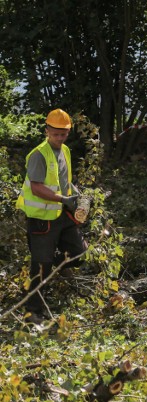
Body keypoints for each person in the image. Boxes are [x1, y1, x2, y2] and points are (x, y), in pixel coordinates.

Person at [16, 108, 87, 324]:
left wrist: (75, 195)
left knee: (79, 253)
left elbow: (63, 180)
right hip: (41, 218)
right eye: (55, 133)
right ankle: (32, 313)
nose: (59, 138)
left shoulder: (64, 150)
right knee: (40, 266)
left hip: (61, 215)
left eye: (63, 134)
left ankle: (51, 264)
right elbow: (37, 188)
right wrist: (63, 200)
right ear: (47, 131)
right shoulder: (39, 154)